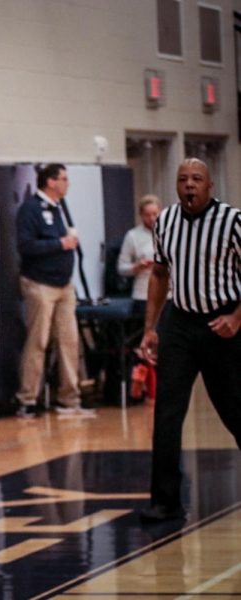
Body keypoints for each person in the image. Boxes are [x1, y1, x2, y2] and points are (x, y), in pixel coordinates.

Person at [138, 158, 241, 522]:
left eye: (197, 179)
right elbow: (160, 275)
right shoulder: (165, 222)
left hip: (222, 323)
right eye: (183, 179)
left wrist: (236, 317)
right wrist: (151, 328)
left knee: (234, 409)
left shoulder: (233, 221)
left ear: (211, 186)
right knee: (167, 413)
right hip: (179, 324)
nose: (189, 185)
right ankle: (165, 500)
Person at [14, 164, 95, 418]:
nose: (67, 183)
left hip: (64, 286)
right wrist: (60, 243)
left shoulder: (59, 208)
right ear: (50, 182)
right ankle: (27, 399)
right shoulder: (30, 209)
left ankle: (69, 398)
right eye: (63, 178)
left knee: (69, 341)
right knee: (38, 341)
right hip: (40, 284)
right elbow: (25, 246)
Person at [117, 195, 162, 315]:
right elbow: (121, 268)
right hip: (144, 294)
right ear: (141, 215)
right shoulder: (132, 236)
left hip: (169, 293)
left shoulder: (170, 232)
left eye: (155, 214)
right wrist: (136, 267)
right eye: (147, 215)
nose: (152, 218)